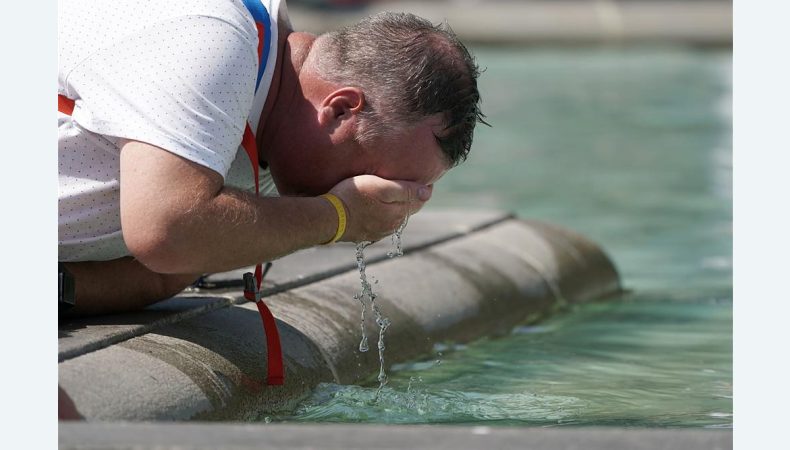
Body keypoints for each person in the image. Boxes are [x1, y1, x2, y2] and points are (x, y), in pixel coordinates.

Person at [58, 0, 485, 315]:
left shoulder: (265, 127)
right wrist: (338, 216)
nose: (376, 197)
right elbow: (168, 230)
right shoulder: (212, 37)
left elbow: (164, 272)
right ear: (339, 109)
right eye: (374, 177)